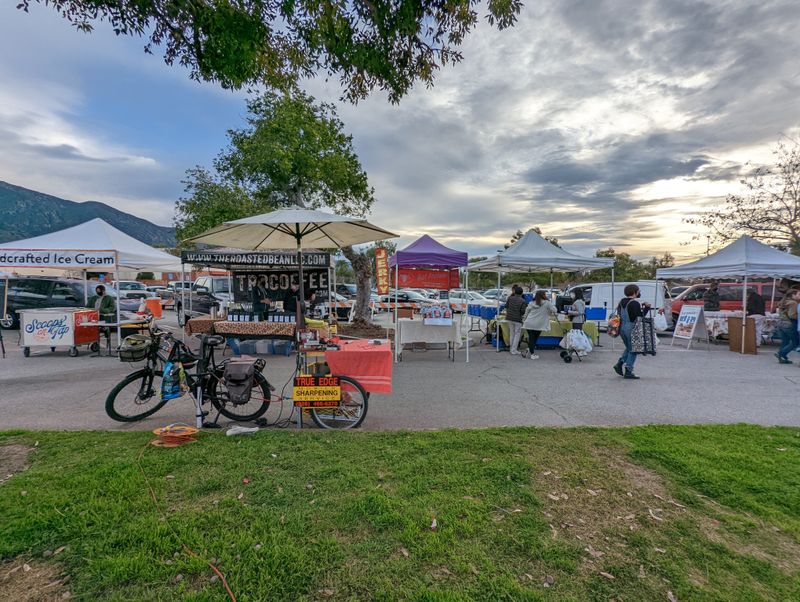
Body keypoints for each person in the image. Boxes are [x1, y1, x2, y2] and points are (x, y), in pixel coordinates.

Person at [613, 283, 651, 380]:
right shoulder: (634, 303)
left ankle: (620, 363)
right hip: (631, 328)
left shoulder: (621, 302)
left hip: (621, 328)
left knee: (629, 348)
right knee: (634, 349)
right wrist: (647, 308)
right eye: (638, 291)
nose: (639, 292)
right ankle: (628, 370)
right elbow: (638, 317)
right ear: (634, 292)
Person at [522, 290, 557, 360]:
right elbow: (555, 310)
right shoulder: (547, 303)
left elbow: (526, 313)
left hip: (529, 323)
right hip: (539, 324)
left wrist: (524, 320)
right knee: (534, 339)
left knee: (531, 338)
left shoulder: (531, 303)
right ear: (543, 295)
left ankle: (529, 349)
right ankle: (532, 354)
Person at [775, 289, 799, 365]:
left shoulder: (783, 302)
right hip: (788, 324)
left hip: (780, 323)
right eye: (798, 294)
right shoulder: (793, 303)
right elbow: (792, 315)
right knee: (795, 342)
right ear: (792, 295)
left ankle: (782, 357)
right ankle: (781, 353)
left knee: (785, 341)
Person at [504, 285, 527, 355]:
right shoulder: (523, 301)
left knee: (512, 333)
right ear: (521, 293)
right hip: (517, 319)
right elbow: (523, 311)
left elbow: (506, 307)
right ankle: (513, 350)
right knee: (517, 334)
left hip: (509, 318)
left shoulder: (510, 298)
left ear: (514, 292)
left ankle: (512, 348)